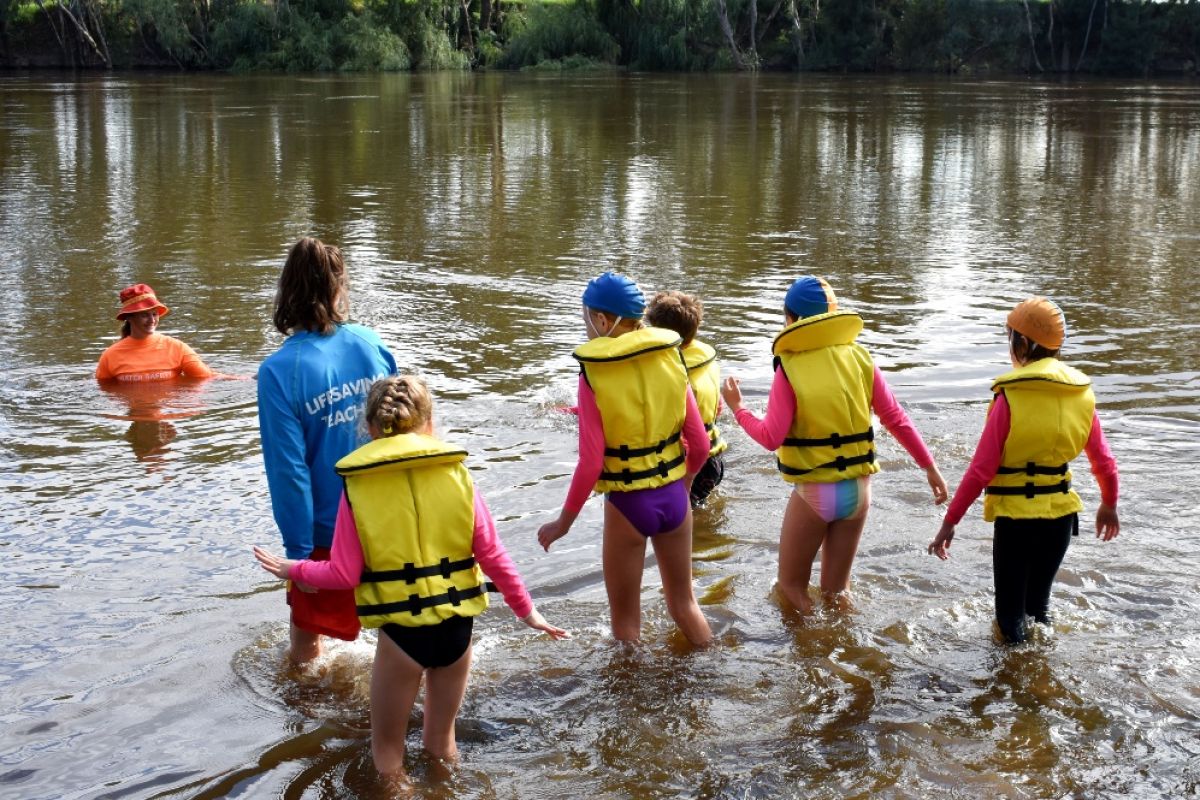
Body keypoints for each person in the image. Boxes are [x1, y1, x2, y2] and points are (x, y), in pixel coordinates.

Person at [254, 376, 567, 779]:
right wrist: (529, 613)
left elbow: (343, 573)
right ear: (430, 423)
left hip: (404, 635)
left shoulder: (359, 487)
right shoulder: (457, 474)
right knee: (441, 744)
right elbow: (493, 555)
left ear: (368, 429)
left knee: (387, 754)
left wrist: (292, 568)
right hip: (458, 630)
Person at [720, 276, 948, 614]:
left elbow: (771, 437)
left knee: (791, 588)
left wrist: (738, 409)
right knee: (837, 591)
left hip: (816, 493)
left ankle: (811, 659)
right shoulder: (859, 357)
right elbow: (895, 418)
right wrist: (930, 469)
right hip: (859, 491)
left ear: (791, 320)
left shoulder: (789, 367)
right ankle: (848, 652)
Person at [927, 296, 1120, 643]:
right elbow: (1103, 461)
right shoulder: (1081, 393)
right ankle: (1040, 679)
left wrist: (949, 522)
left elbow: (980, 470)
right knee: (1038, 610)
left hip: (1016, 520)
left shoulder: (1010, 396)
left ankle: (1015, 687)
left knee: (1009, 619)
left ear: (1022, 343)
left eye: (1010, 337)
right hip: (1060, 518)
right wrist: (1109, 504)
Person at [537, 272, 713, 647]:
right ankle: (714, 673)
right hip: (674, 499)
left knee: (626, 627)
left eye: (586, 318)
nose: (586, 327)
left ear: (603, 321)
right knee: (684, 605)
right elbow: (699, 444)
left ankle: (631, 702)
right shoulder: (671, 358)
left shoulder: (593, 374)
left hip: (628, 505)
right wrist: (683, 485)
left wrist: (562, 523)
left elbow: (591, 461)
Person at [258, 237, 397, 665]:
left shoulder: (278, 372)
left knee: (306, 648)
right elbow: (403, 429)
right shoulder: (370, 344)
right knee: (396, 629)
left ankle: (311, 723)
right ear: (339, 288)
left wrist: (299, 558)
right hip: (388, 513)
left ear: (286, 294)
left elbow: (290, 472)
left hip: (327, 530)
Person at [646, 291, 728, 508]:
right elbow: (717, 407)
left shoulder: (673, 373)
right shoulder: (707, 361)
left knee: (681, 526)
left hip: (692, 463)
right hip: (715, 458)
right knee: (699, 520)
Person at [95, 284, 216, 382]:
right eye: (144, 315)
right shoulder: (110, 356)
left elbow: (206, 377)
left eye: (154, 314)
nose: (152, 320)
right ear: (129, 318)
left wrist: (234, 380)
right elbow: (103, 391)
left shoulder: (177, 348)